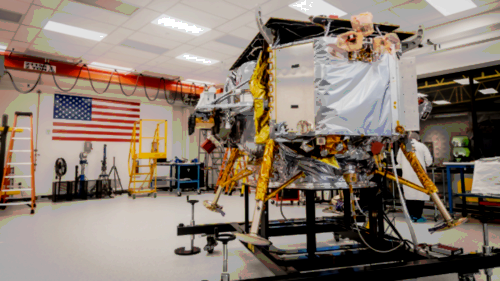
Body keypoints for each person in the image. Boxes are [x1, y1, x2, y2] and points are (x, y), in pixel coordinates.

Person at [396, 132, 433, 223]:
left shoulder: (403, 147)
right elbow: (429, 161)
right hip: (420, 175)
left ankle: (411, 215)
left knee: (409, 194)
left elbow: (398, 160)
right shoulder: (422, 146)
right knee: (420, 194)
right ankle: (418, 216)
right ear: (418, 139)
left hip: (407, 175)